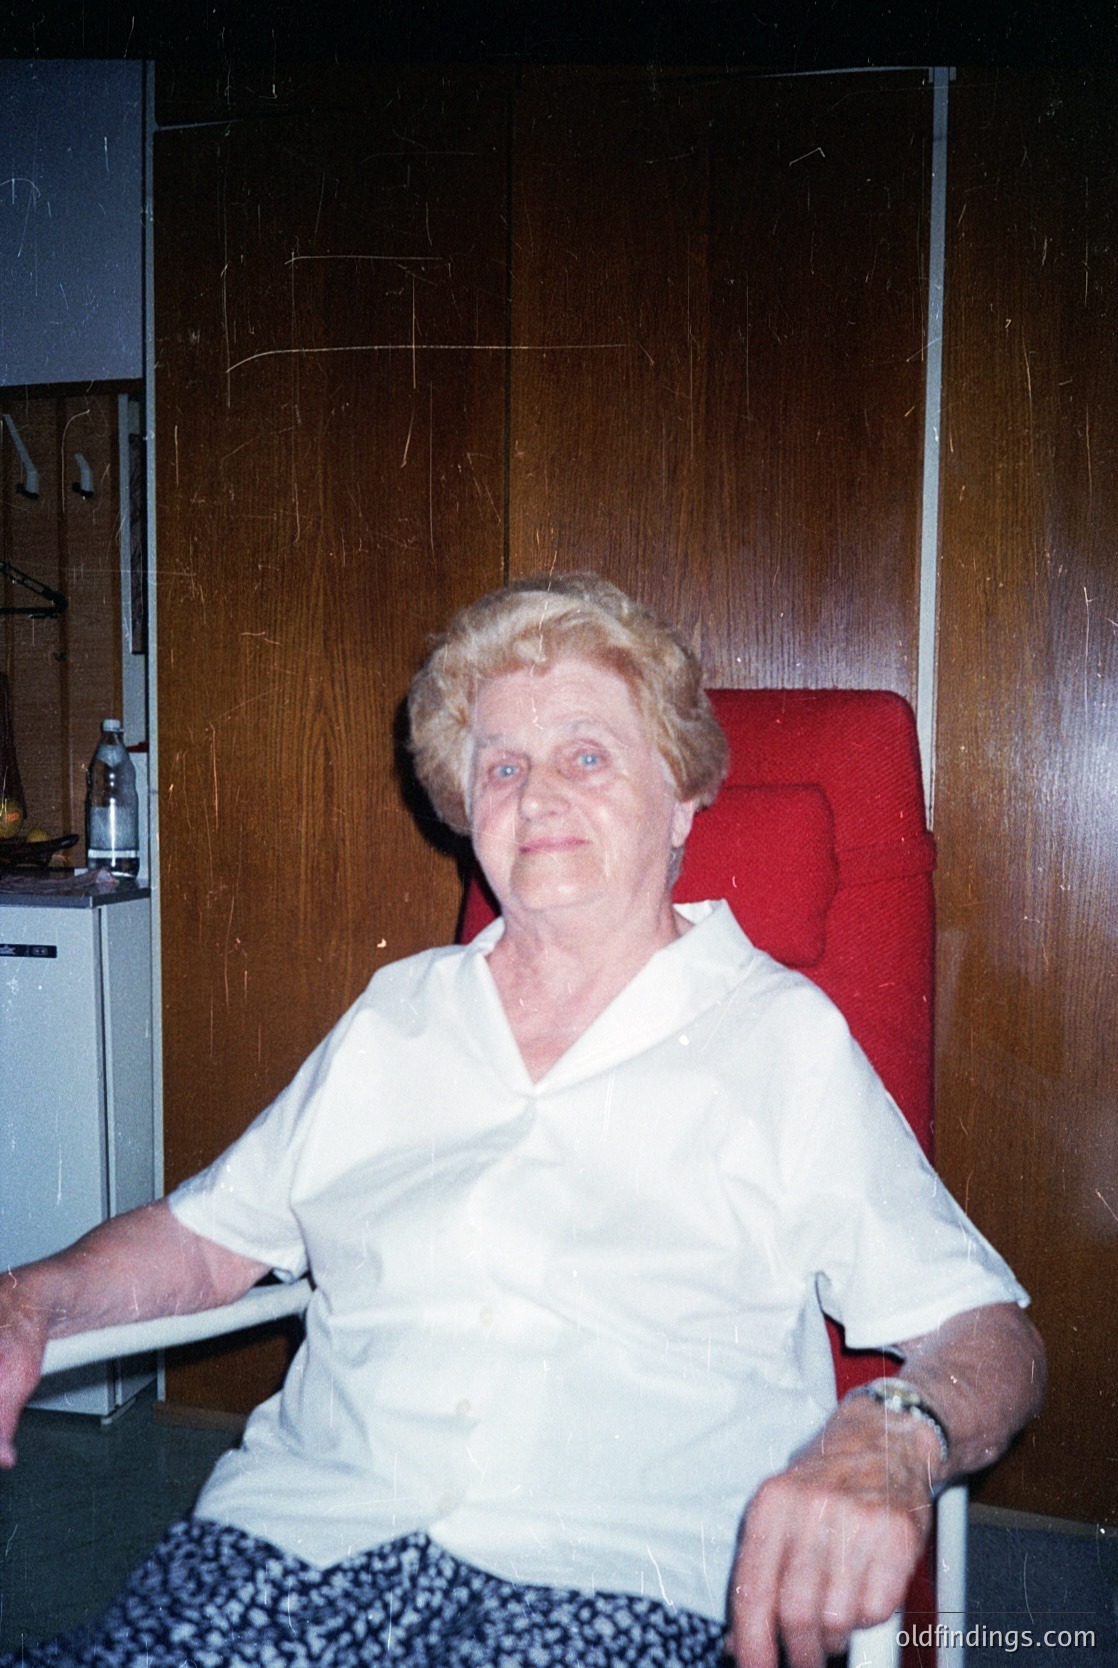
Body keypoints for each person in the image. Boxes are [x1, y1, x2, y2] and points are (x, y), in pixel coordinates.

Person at [0, 574, 1044, 1668]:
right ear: (470, 810)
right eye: (501, 766)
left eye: (585, 755)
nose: (536, 795)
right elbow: (203, 1244)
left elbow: (985, 1334)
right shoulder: (397, 1016)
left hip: (613, 1595)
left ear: (683, 795)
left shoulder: (780, 1039)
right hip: (281, 1557)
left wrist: (889, 1438)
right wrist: (31, 1300)